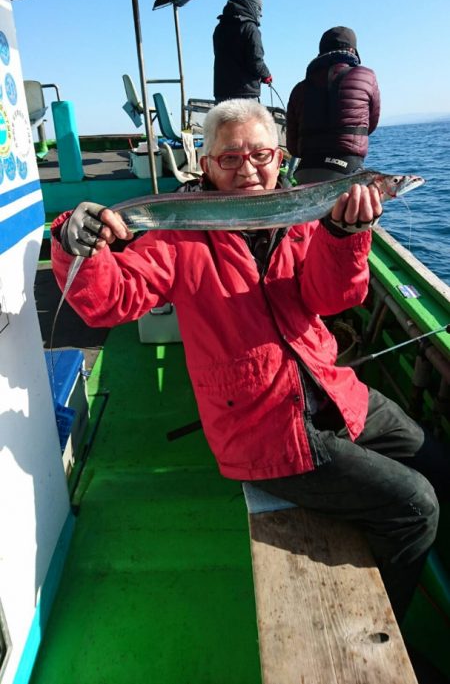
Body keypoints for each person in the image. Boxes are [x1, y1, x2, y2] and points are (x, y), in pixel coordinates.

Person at [51, 99, 448, 623]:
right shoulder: (179, 232)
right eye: (230, 159)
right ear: (207, 166)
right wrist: (73, 241)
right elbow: (110, 301)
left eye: (260, 155)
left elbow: (332, 300)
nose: (248, 170)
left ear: (280, 157)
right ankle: (383, 632)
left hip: (332, 390)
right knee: (415, 505)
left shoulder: (307, 212)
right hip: (262, 427)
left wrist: (346, 234)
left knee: (439, 464)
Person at [286, 26, 381, 183]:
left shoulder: (299, 88)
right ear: (352, 50)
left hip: (305, 170)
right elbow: (371, 124)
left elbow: (293, 147)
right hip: (347, 168)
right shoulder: (366, 76)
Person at [213, 0, 272, 103]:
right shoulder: (250, 28)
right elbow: (256, 61)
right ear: (253, 7)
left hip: (222, 94)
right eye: (259, 9)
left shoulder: (220, 28)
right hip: (245, 94)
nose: (261, 13)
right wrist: (266, 74)